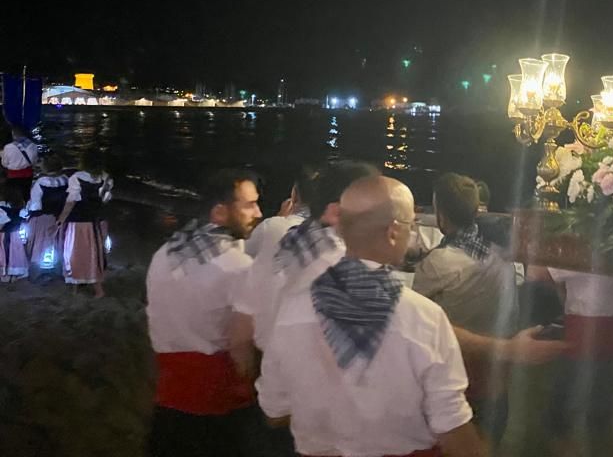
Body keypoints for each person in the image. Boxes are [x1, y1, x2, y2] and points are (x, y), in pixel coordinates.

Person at [257, 175, 486, 457]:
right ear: (392, 232)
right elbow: (452, 426)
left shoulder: (292, 310)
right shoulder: (423, 317)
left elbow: (274, 411)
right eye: (410, 225)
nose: (412, 234)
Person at [146, 167, 268, 457]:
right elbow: (240, 345)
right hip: (216, 400)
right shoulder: (239, 268)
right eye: (249, 205)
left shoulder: (166, 252)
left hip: (168, 396)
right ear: (219, 213)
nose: (259, 213)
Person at [229, 160, 379, 375]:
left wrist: (250, 381)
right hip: (311, 386)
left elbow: (240, 331)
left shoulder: (284, 240)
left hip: (267, 371)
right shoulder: (346, 265)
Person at [414, 172, 520, 446]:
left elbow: (416, 318)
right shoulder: (501, 253)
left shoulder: (439, 262)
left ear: (441, 215)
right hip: (497, 374)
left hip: (456, 380)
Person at [529, 266, 613, 456]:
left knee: (561, 419)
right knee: (599, 419)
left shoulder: (587, 242)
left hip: (585, 339)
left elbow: (536, 273)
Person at [56, 147, 112, 297]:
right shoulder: (106, 178)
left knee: (74, 253)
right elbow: (105, 200)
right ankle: (95, 288)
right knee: (94, 254)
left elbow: (70, 202)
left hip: (78, 223)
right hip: (96, 222)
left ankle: (78, 285)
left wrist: (61, 219)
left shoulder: (77, 177)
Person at [25, 152, 68, 270]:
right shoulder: (65, 180)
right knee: (60, 240)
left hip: (44, 217)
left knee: (42, 242)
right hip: (61, 216)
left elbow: (35, 203)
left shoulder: (41, 182)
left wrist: (29, 214)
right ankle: (60, 263)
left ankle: (42, 267)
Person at [2, 124, 39, 209]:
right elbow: (34, 161)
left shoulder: (8, 147)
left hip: (13, 175)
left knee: (13, 196)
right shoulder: (33, 146)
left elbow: (5, 163)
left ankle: (14, 211)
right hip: (28, 174)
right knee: (26, 193)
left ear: (13, 134)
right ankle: (26, 210)